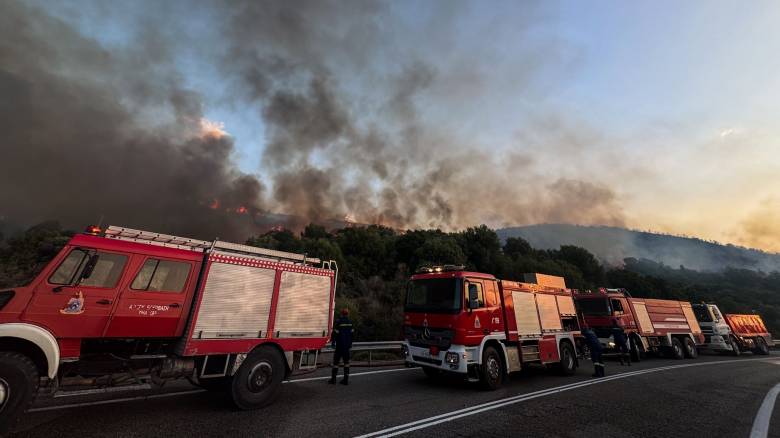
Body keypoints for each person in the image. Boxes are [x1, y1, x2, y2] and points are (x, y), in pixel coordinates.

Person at [328, 308, 353, 385]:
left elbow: (335, 333)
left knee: (336, 362)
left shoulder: (339, 322)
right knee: (346, 363)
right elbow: (352, 334)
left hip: (339, 346)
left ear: (341, 314)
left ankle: (333, 379)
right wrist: (350, 344)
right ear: (348, 314)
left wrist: (332, 343)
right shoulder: (350, 322)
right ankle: (346, 380)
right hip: (347, 346)